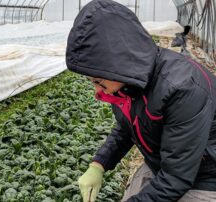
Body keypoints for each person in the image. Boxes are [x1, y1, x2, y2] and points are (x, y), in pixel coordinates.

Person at [65, 0, 216, 201]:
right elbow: (127, 126)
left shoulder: (181, 88)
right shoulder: (128, 82)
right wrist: (99, 164)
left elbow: (176, 178)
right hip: (164, 164)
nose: (97, 91)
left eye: (98, 81)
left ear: (117, 64)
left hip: (205, 178)